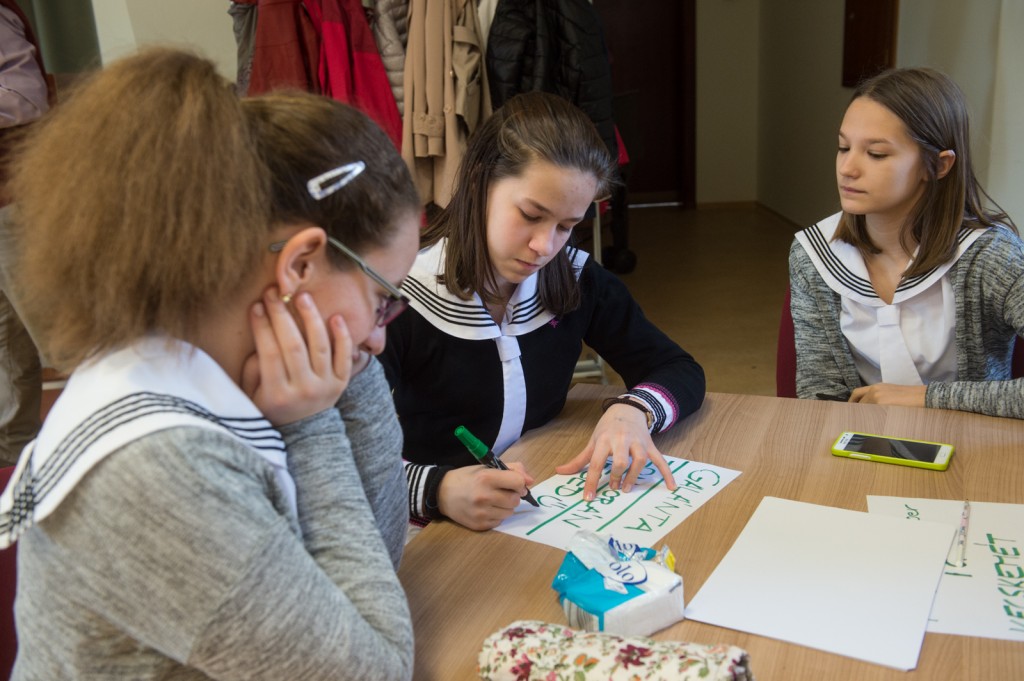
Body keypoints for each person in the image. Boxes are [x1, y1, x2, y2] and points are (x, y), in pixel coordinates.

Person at [0, 48, 422, 679]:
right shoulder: (157, 464)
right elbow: (376, 667)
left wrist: (341, 379)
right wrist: (312, 425)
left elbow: (371, 566)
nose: (382, 337)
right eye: (383, 298)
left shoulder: (198, 364)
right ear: (299, 265)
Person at [379, 91, 705, 531]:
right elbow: (334, 457)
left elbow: (678, 368)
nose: (544, 246)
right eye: (531, 215)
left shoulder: (576, 278)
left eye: (567, 226)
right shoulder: (398, 298)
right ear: (478, 181)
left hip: (536, 510)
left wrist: (633, 409)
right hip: (428, 528)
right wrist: (439, 490)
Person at [790, 67, 1024, 418]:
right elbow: (819, 398)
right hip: (859, 442)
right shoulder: (814, 254)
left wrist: (925, 398)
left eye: (876, 154)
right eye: (843, 147)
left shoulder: (991, 257)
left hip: (974, 445)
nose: (847, 168)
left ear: (939, 165)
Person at [0, 0, 54, 466]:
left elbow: (25, 98)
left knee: (66, 342)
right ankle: (12, 473)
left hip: (13, 206)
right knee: (7, 361)